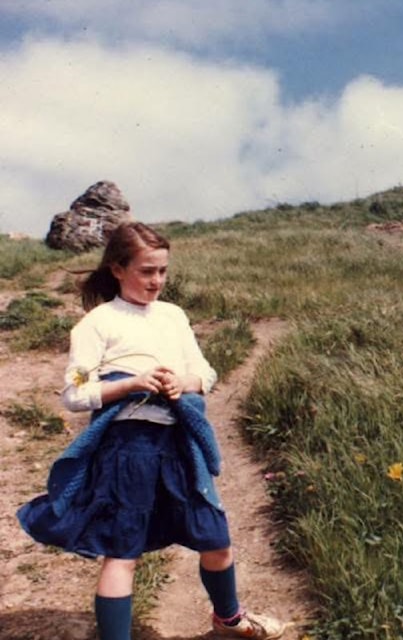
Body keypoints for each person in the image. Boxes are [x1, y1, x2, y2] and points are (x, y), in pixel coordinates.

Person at [16, 222, 288, 640]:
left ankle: (229, 619)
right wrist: (130, 384)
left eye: (162, 271)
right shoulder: (97, 323)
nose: (156, 281)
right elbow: (74, 393)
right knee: (123, 554)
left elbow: (206, 372)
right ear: (117, 269)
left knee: (215, 539)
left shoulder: (173, 316)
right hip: (128, 450)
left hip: (180, 446)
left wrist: (186, 383)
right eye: (146, 271)